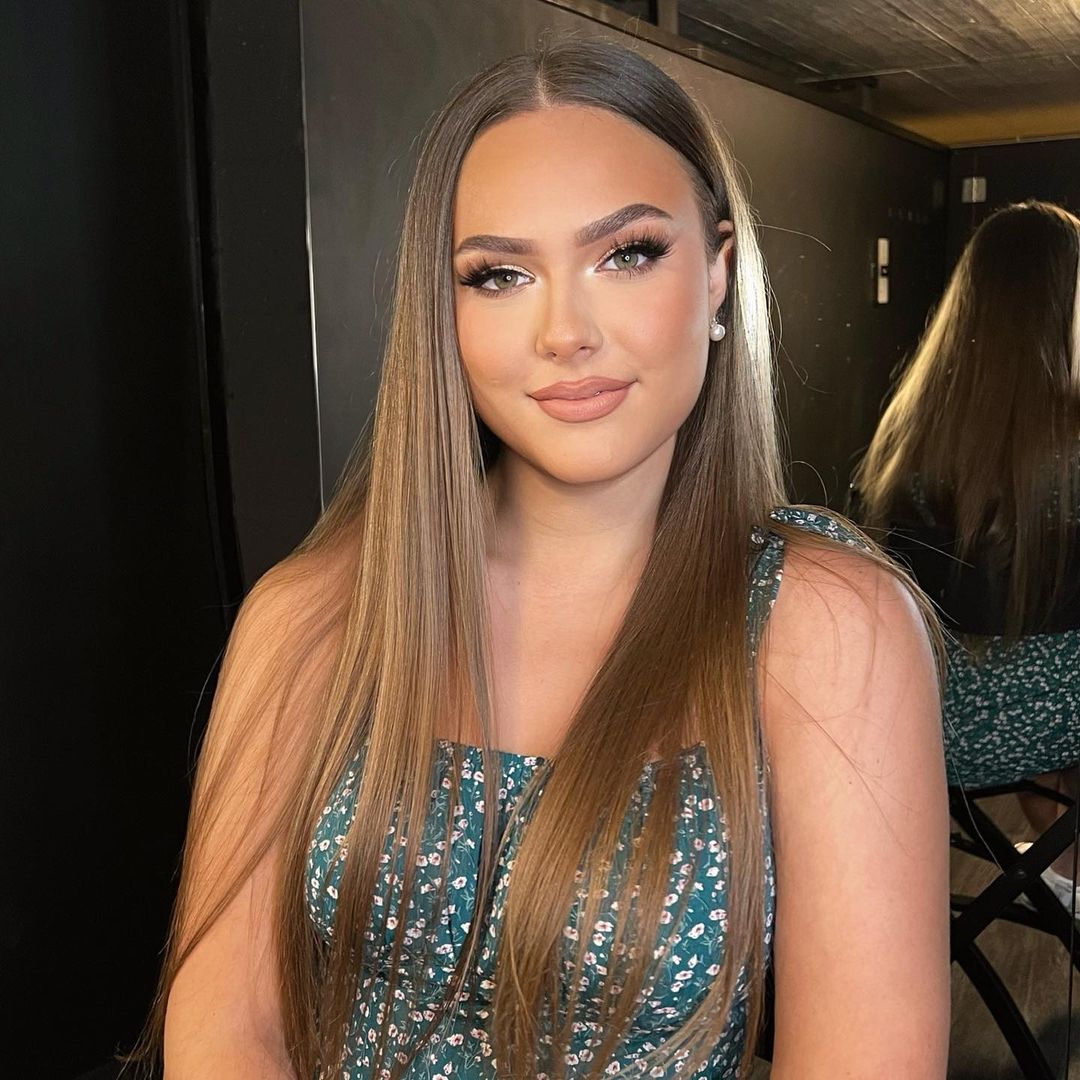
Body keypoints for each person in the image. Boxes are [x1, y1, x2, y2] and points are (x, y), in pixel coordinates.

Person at [131, 38, 949, 1079]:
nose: (566, 332)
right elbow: (225, 1032)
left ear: (718, 275)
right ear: (445, 311)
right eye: (500, 275)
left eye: (628, 254)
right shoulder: (311, 616)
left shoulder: (827, 628)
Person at [851, 200, 1080, 905]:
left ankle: (1058, 868)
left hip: (932, 729)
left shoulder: (908, 438)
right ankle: (1064, 867)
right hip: (1058, 726)